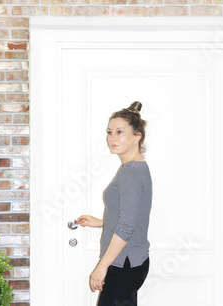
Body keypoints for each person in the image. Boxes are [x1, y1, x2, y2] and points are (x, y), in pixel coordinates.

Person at [77, 101, 152, 306]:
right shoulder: (138, 168)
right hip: (132, 260)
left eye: (120, 132)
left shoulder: (131, 173)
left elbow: (127, 226)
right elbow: (133, 215)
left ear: (138, 136)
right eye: (109, 132)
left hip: (123, 263)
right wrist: (101, 222)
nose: (112, 138)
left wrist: (102, 266)